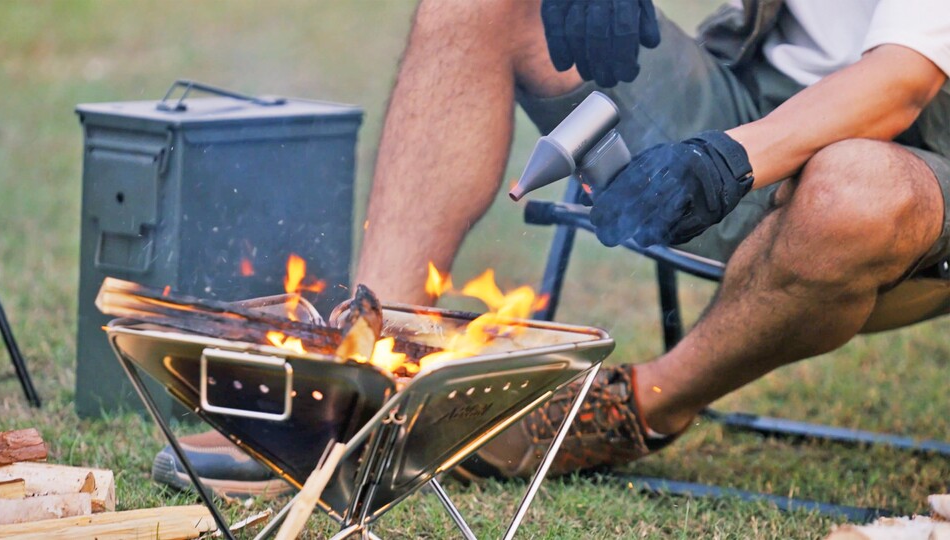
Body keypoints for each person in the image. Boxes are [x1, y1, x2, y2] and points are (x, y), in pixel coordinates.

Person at [152, 0, 950, 494]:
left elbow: (904, 79)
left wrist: (726, 159)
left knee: (853, 188)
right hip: (753, 89)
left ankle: (633, 406)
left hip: (914, 164)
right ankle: (362, 385)